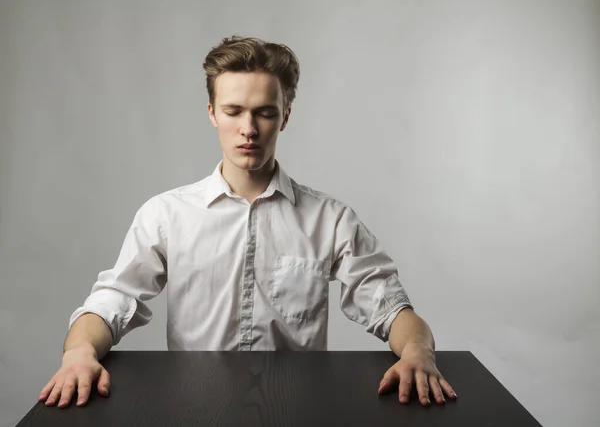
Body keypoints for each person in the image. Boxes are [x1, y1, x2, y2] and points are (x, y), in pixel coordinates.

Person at [39, 35, 457, 409]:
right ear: (212, 113)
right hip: (193, 407)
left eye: (264, 113)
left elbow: (388, 304)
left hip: (294, 408)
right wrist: (78, 354)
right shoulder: (165, 215)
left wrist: (418, 352)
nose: (249, 129)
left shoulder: (330, 220)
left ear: (285, 117)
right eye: (233, 111)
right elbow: (113, 300)